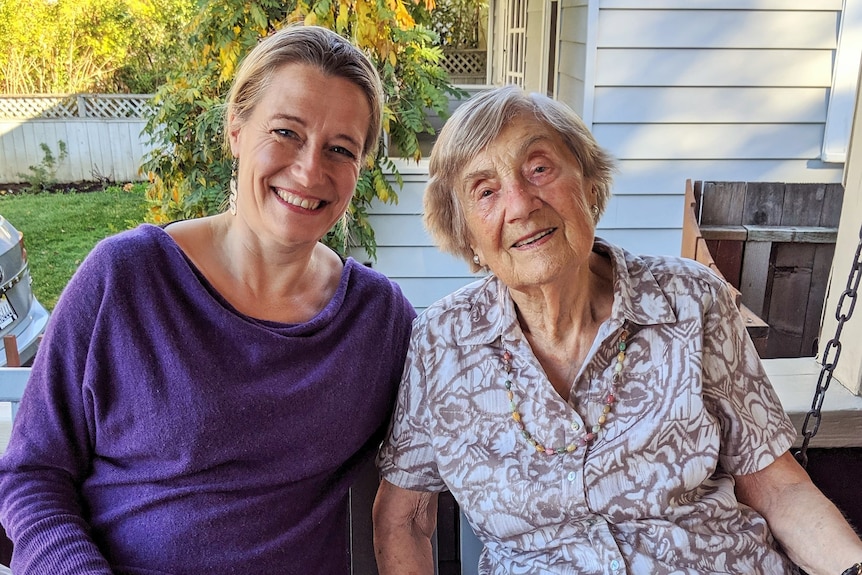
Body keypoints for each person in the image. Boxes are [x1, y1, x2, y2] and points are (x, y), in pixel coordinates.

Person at [372, 84, 862, 575]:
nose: (520, 205)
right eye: (486, 190)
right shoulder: (442, 342)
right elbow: (404, 519)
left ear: (588, 184)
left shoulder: (689, 300)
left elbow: (778, 487)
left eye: (539, 168)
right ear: (466, 235)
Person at [0, 25, 415, 574]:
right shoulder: (125, 279)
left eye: (341, 149)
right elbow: (32, 474)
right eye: (286, 132)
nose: (310, 169)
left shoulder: (377, 321)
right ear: (236, 129)